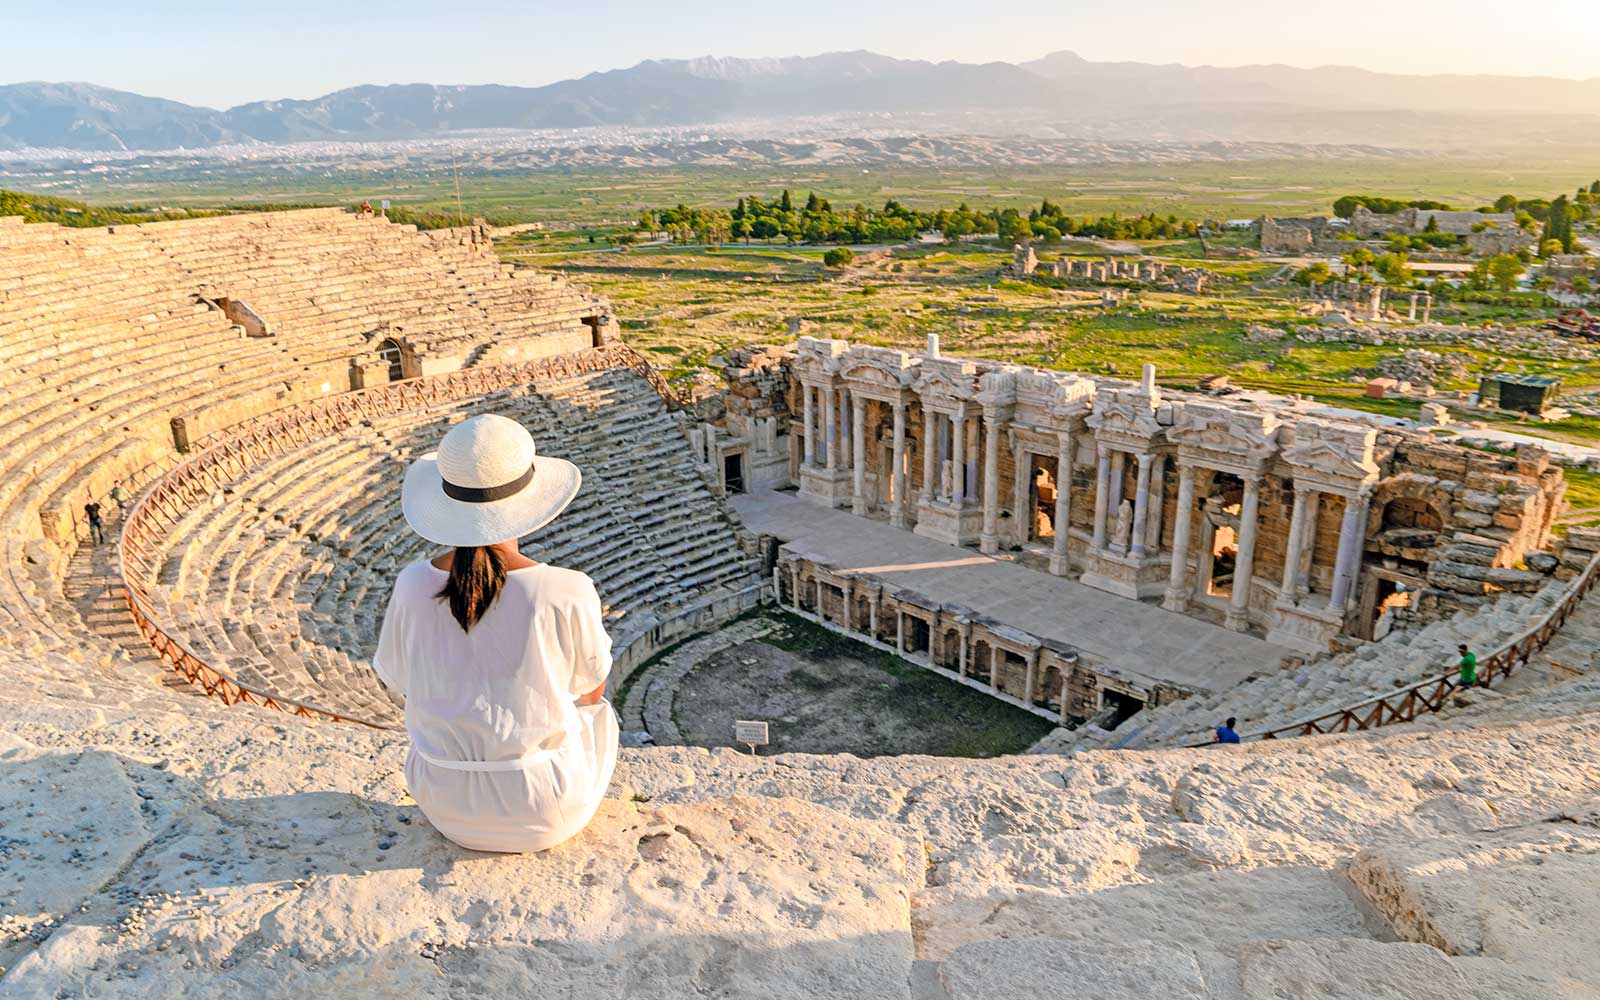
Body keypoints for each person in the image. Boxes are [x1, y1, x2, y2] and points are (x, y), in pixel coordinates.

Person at [374, 413, 615, 853]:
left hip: (442, 800)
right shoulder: (566, 588)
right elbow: (591, 692)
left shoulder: (410, 584)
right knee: (598, 718)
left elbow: (397, 681)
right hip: (545, 807)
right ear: (531, 499)